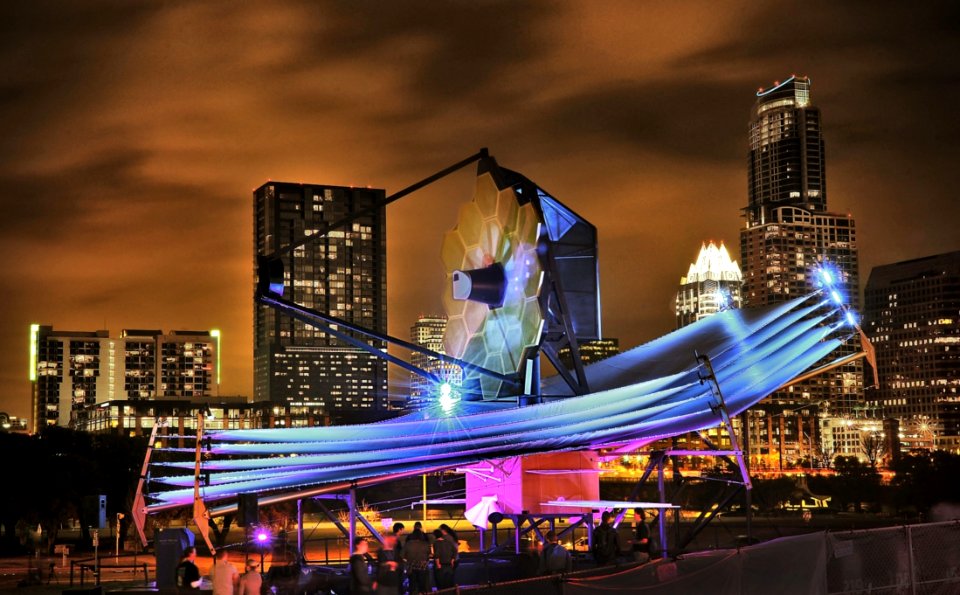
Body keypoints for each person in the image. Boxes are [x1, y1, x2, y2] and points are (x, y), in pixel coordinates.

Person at [403, 524, 431, 594]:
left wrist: (408, 561)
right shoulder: (425, 544)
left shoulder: (408, 543)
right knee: (422, 586)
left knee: (412, 586)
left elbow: (402, 555)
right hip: (422, 567)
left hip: (411, 567)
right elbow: (429, 554)